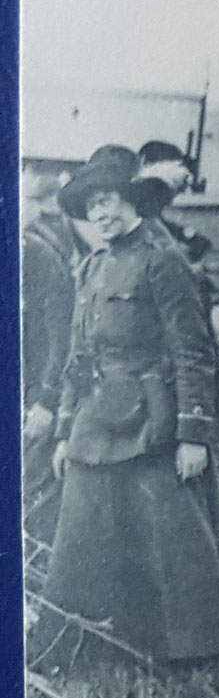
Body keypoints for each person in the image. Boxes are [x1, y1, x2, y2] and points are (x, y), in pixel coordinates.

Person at [40, 146, 219, 663]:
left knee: (171, 540)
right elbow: (76, 355)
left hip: (153, 421)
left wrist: (194, 433)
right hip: (93, 420)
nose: (101, 214)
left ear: (133, 200)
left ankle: (192, 653)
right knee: (83, 533)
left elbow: (193, 352)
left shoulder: (164, 262)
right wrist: (64, 431)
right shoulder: (89, 267)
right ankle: (84, 646)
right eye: (92, 205)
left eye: (109, 200)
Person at [21, 161, 80, 521]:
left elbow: (63, 337)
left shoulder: (40, 257)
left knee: (32, 491)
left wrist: (46, 401)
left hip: (35, 396)